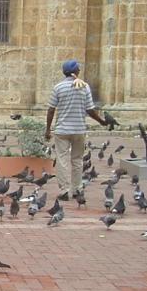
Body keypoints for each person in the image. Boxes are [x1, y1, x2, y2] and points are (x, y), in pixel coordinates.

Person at [45, 60, 107, 200]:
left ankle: (64, 190)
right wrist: (101, 121)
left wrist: (48, 129)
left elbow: (51, 110)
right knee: (77, 160)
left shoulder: (58, 87)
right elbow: (90, 110)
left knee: (62, 159)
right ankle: (77, 188)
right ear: (76, 71)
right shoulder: (84, 87)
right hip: (79, 129)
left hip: (62, 130)